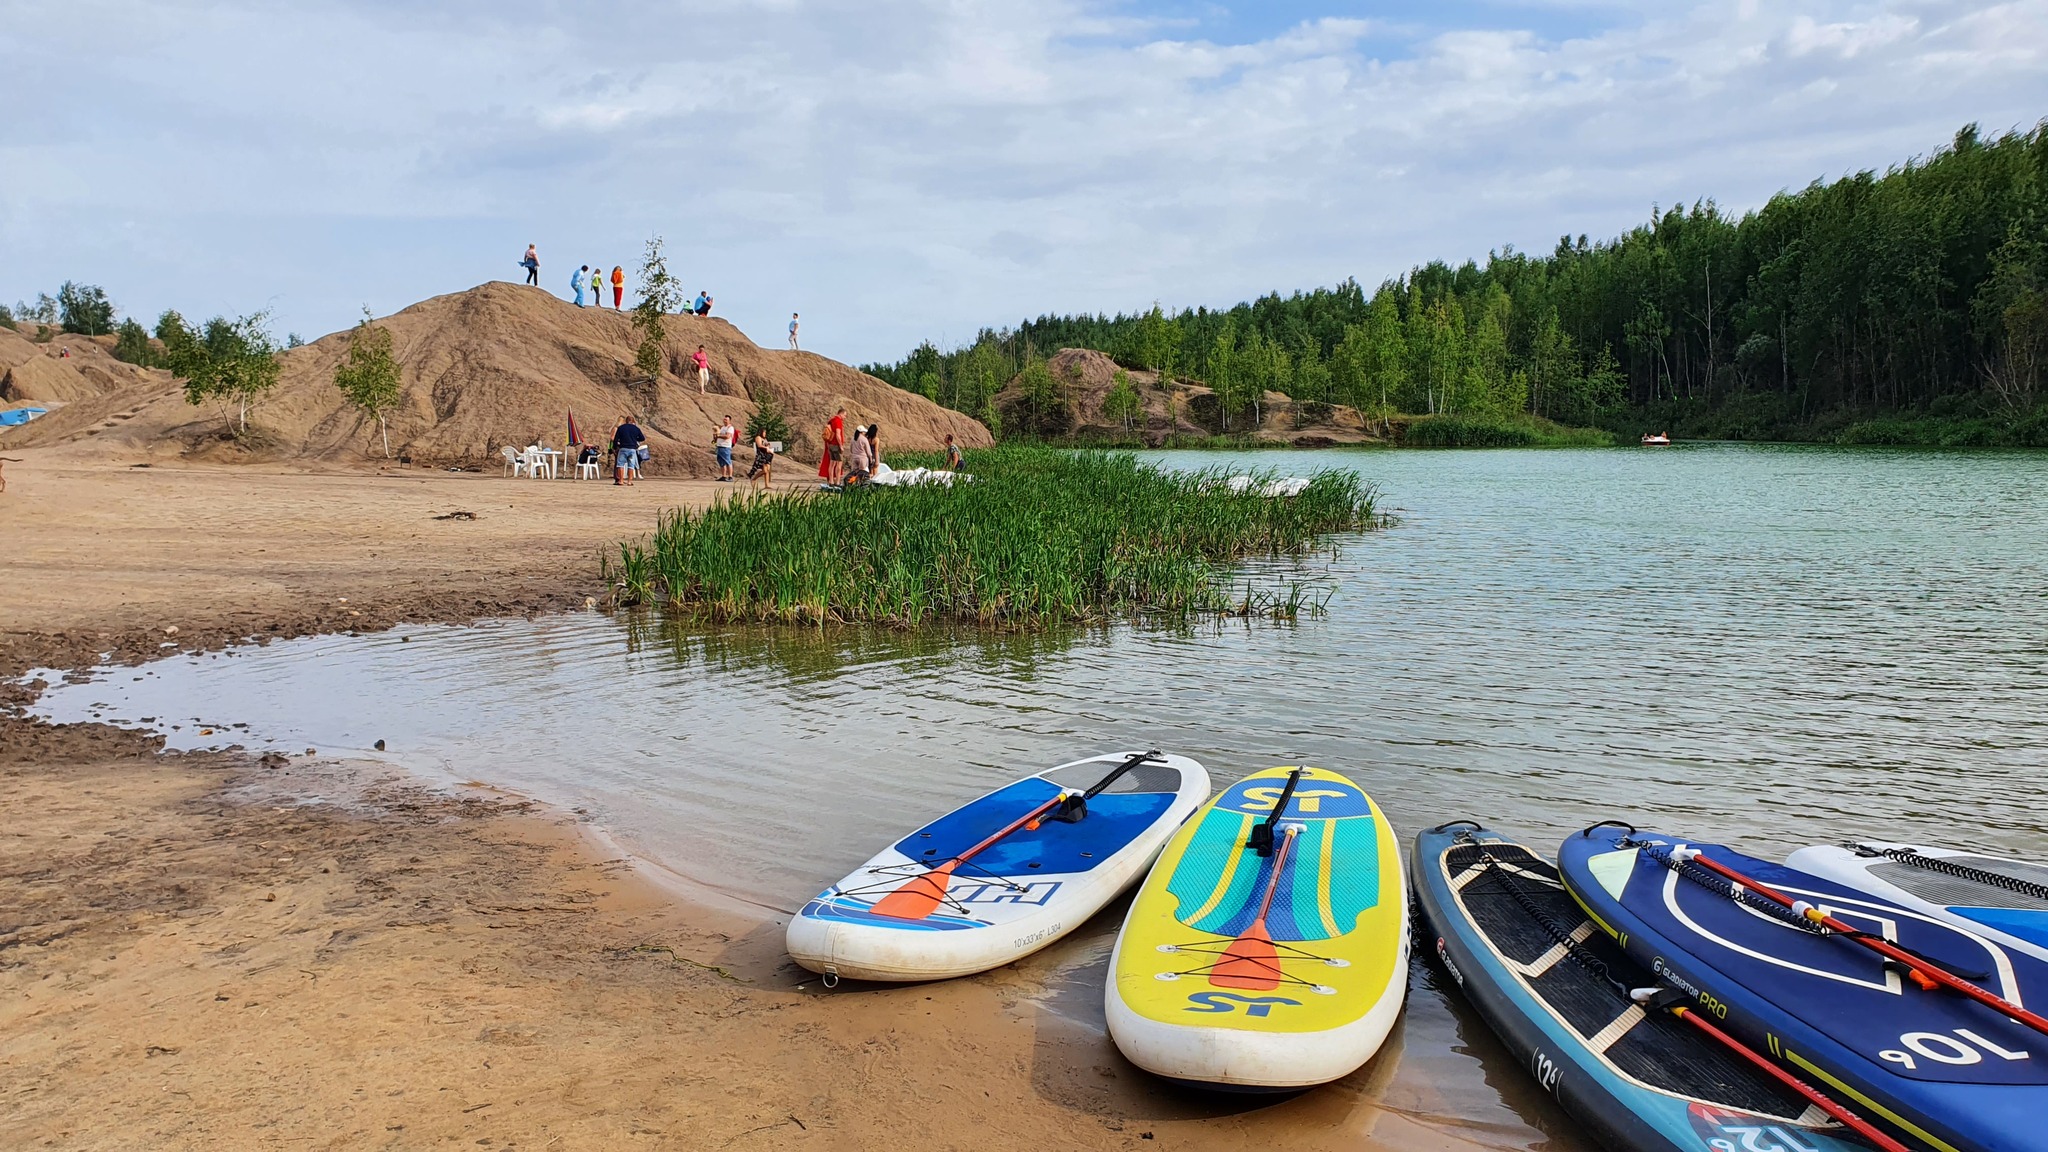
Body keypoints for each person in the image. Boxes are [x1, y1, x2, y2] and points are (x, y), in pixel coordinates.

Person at [612, 414, 645, 486]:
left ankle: (621, 480)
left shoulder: (621, 428)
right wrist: (635, 439)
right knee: (631, 465)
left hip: (623, 448)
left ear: (626, 421)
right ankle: (629, 481)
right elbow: (642, 438)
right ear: (633, 421)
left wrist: (615, 447)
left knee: (620, 464)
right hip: (632, 449)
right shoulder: (636, 428)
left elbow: (615, 439)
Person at [822, 406, 846, 487]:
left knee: (831, 463)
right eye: (844, 415)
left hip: (830, 445)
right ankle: (837, 481)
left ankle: (831, 481)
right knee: (839, 464)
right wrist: (841, 445)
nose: (844, 418)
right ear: (841, 414)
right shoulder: (838, 421)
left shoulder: (831, 420)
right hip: (836, 445)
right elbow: (838, 434)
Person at [713, 415, 736, 482]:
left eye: (726, 419)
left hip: (726, 446)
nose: (724, 420)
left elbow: (727, 436)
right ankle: (724, 476)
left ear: (729, 421)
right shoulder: (722, 427)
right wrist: (715, 436)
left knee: (727, 461)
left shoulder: (730, 428)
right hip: (719, 445)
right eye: (724, 419)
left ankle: (730, 476)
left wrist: (719, 435)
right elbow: (718, 435)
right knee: (721, 461)